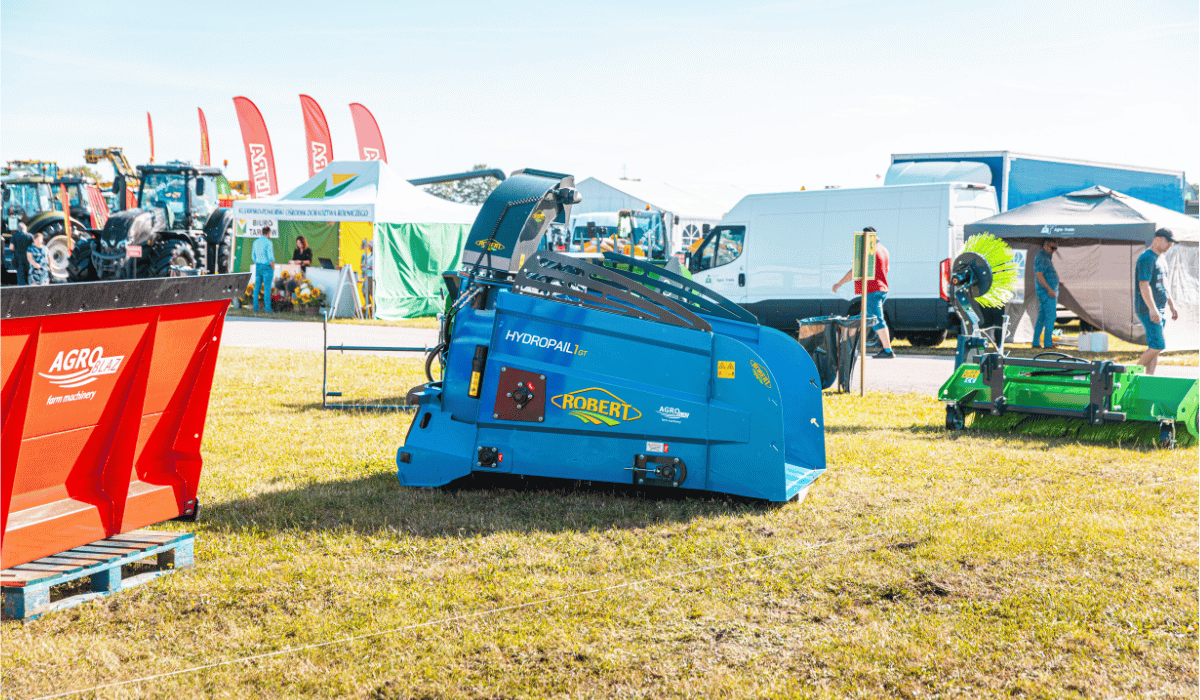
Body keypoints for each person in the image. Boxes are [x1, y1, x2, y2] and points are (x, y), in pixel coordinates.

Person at [832, 227, 893, 358]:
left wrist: (840, 283)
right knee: (860, 318)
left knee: (877, 320)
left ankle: (888, 351)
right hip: (882, 289)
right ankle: (846, 347)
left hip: (872, 290)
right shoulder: (883, 249)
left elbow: (855, 271)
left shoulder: (869, 251)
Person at [1135, 228, 1179, 375]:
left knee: (1154, 348)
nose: (1170, 245)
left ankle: (1148, 379)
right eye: (1168, 242)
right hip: (1148, 309)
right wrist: (1152, 309)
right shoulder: (1146, 258)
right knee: (1158, 345)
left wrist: (1172, 306)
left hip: (1160, 308)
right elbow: (1143, 284)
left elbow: (1164, 285)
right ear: (1157, 239)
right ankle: (1127, 375)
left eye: (1171, 243)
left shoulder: (1161, 259)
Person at [1032, 238, 1060, 348]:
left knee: (1042, 318)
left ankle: (1036, 342)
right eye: (1052, 248)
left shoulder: (1044, 257)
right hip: (1047, 293)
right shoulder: (1043, 257)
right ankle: (1048, 343)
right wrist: (1049, 289)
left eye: (1055, 248)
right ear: (1045, 246)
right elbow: (1039, 275)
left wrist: (1056, 282)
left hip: (1045, 292)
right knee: (1051, 317)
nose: (1054, 251)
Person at [251, 224, 276, 313]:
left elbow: (253, 256)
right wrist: (273, 267)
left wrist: (258, 262)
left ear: (262, 233)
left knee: (257, 287)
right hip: (267, 267)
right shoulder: (269, 243)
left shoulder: (255, 242)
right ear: (269, 233)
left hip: (258, 266)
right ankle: (268, 309)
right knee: (267, 288)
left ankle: (255, 308)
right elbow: (270, 257)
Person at [361, 239, 374, 317]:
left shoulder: (375, 255)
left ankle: (374, 311)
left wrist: (368, 266)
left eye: (369, 246)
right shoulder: (369, 255)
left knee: (372, 294)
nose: (368, 247)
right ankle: (369, 310)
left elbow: (375, 266)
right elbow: (364, 264)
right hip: (367, 276)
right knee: (364, 293)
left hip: (371, 276)